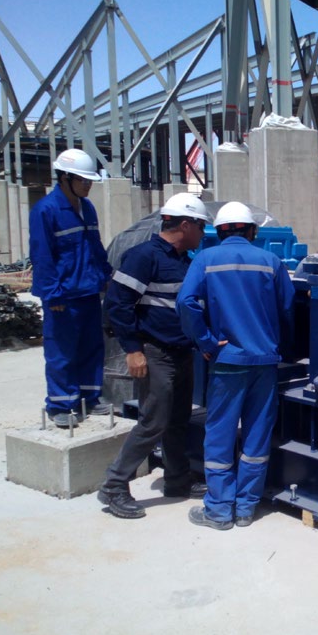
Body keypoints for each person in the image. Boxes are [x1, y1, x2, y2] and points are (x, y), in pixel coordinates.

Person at [176, 202, 294, 530]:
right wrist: (278, 348)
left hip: (227, 362)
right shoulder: (271, 262)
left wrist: (208, 342)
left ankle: (219, 510)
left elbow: (185, 303)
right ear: (251, 230)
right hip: (264, 362)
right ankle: (246, 508)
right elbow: (287, 310)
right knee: (257, 435)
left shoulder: (205, 260)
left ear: (221, 230)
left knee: (220, 435)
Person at [98, 193, 213, 519]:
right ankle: (114, 485)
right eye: (201, 227)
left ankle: (177, 480)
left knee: (177, 421)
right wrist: (133, 350)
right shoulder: (143, 257)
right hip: (155, 352)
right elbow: (117, 305)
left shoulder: (183, 260)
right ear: (185, 224)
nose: (203, 234)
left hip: (181, 352)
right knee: (153, 422)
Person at [29, 148, 112, 427]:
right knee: (61, 352)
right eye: (83, 180)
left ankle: (89, 398)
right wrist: (52, 294)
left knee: (91, 347)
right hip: (62, 295)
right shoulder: (46, 210)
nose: (88, 185)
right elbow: (42, 256)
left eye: (90, 181)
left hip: (88, 290)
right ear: (64, 178)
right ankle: (60, 405)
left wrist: (106, 275)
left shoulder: (87, 208)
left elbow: (95, 247)